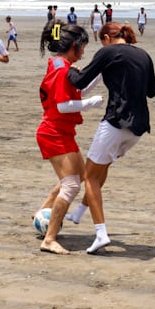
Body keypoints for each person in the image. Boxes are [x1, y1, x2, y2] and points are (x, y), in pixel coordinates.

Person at [66, 22, 155, 254]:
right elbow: (152, 91)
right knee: (102, 167)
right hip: (137, 128)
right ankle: (78, 214)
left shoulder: (107, 52)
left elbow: (79, 82)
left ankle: (101, 234)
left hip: (116, 122)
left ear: (107, 37)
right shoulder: (144, 55)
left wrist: (69, 67)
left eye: (101, 41)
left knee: (90, 176)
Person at [34, 20, 104, 254]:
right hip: (53, 132)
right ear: (73, 45)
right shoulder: (62, 69)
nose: (84, 51)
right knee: (72, 185)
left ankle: (42, 214)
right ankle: (49, 239)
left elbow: (77, 89)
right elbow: (64, 105)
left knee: (82, 175)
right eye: (82, 46)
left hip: (61, 131)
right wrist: (89, 104)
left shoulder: (57, 63)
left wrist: (100, 75)